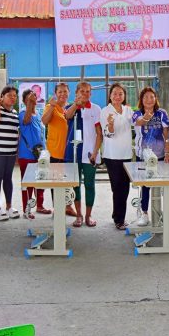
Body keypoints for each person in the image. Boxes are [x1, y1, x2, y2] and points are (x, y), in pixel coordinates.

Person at [132, 87, 169, 226]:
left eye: (152, 97)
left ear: (156, 99)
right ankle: (144, 213)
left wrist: (167, 152)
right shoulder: (136, 113)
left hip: (160, 155)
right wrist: (146, 117)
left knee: (162, 185)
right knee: (145, 186)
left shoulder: (162, 114)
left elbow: (166, 134)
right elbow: (139, 122)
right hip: (143, 156)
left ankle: (160, 213)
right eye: (146, 97)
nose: (149, 99)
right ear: (141, 100)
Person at [64, 82, 102, 228]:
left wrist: (95, 152)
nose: (85, 94)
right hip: (73, 153)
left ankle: (88, 215)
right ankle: (78, 215)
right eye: (82, 91)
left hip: (89, 154)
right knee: (76, 185)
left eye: (87, 92)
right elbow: (67, 116)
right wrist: (76, 105)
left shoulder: (95, 109)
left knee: (89, 184)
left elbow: (99, 133)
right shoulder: (71, 108)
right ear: (76, 93)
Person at [100, 83, 134, 230]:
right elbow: (107, 133)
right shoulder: (105, 111)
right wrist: (111, 126)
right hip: (112, 156)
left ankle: (120, 217)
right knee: (117, 188)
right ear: (110, 95)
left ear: (124, 96)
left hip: (126, 154)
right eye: (115, 93)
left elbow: (136, 125)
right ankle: (118, 219)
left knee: (125, 188)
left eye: (120, 94)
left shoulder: (128, 110)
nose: (117, 96)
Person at [43, 83, 77, 219]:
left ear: (69, 93)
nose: (63, 94)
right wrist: (51, 106)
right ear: (56, 93)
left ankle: (68, 207)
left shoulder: (71, 108)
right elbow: (44, 121)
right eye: (60, 92)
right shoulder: (51, 106)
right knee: (55, 182)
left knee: (68, 182)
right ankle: (57, 208)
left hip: (69, 151)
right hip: (55, 151)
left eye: (65, 91)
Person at [0, 86, 20, 221]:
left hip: (11, 152)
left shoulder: (15, 112)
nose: (13, 98)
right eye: (10, 95)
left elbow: (16, 132)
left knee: (8, 178)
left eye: (15, 95)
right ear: (2, 96)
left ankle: (9, 206)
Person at [18, 88, 50, 219]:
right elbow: (25, 121)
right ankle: (27, 209)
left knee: (41, 181)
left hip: (40, 155)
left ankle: (40, 205)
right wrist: (30, 105)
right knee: (28, 183)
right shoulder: (22, 113)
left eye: (34, 97)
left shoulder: (38, 114)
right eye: (30, 98)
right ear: (25, 101)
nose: (33, 100)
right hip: (27, 155)